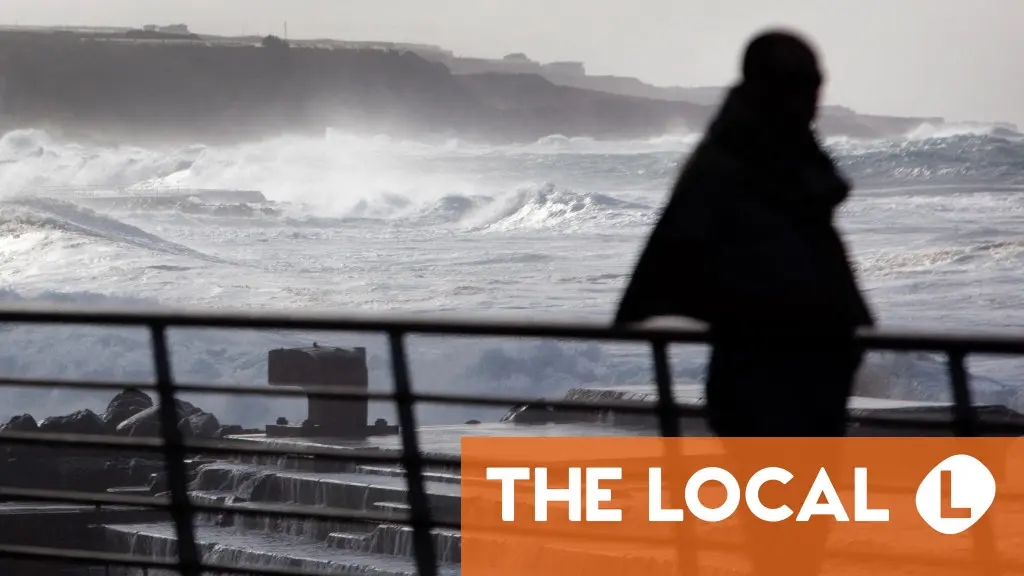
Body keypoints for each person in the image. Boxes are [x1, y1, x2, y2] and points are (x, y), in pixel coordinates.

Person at [614, 30, 875, 438]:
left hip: (810, 379)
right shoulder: (734, 164)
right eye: (803, 83)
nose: (815, 96)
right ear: (773, 87)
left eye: (817, 82)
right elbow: (694, 265)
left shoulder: (786, 152)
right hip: (764, 385)